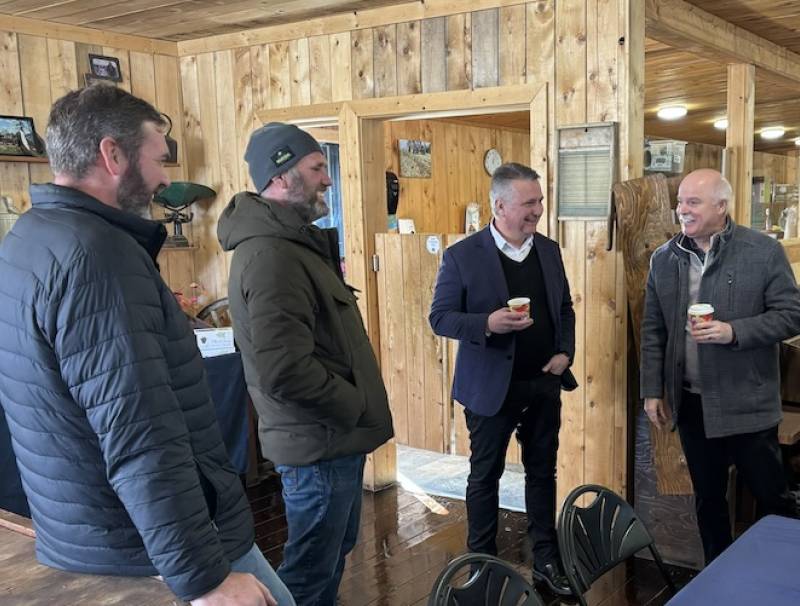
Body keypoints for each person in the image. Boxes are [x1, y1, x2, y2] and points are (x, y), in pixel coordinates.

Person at [0, 86, 294, 606]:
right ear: (112, 155)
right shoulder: (99, 257)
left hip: (86, 529)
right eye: (159, 159)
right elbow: (141, 436)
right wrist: (205, 578)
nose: (164, 179)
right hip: (143, 543)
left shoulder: (31, 233)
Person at [218, 122, 394, 606]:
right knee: (311, 573)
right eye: (317, 168)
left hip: (327, 439)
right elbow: (285, 370)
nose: (327, 179)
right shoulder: (272, 255)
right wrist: (353, 403)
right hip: (318, 443)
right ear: (280, 177)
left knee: (329, 556)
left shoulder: (291, 245)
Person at [429, 162, 577, 596]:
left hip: (544, 382)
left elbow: (564, 308)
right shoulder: (462, 255)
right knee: (484, 475)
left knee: (542, 473)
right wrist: (488, 324)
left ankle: (546, 560)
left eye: (540, 201)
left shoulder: (548, 250)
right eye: (530, 203)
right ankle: (483, 569)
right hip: (490, 389)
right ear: (500, 205)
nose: (538, 210)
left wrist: (564, 353)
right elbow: (440, 318)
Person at [641, 168, 800, 564]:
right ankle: (718, 576)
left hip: (748, 402)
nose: (682, 210)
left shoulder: (762, 252)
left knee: (771, 497)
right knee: (708, 500)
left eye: (692, 202)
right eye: (680, 202)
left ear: (721, 206)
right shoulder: (664, 259)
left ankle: (777, 574)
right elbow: (652, 329)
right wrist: (652, 390)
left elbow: (792, 314)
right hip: (693, 404)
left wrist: (733, 332)